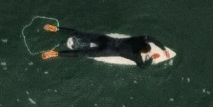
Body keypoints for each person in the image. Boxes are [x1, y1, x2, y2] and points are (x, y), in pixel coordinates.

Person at [37, 23, 175, 67]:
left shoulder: (139, 39)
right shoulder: (135, 56)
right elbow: (143, 67)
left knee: (79, 33)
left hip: (106, 40)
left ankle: (56, 29)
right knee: (81, 54)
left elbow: (152, 38)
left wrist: (162, 46)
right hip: (107, 51)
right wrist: (154, 57)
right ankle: (55, 53)